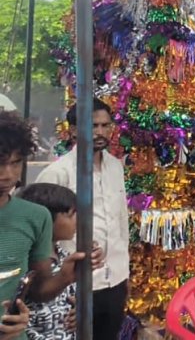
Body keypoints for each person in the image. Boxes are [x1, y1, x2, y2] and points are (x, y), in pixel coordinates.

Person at [35, 100, 130, 340]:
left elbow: (121, 223)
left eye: (105, 126)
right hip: (77, 285)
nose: (100, 132)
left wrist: (124, 276)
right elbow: (42, 229)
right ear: (75, 130)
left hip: (115, 280)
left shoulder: (116, 167)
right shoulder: (59, 172)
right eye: (93, 125)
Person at [0, 111, 93, 340]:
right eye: (0, 164)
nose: (7, 175)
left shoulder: (35, 216)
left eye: (15, 163)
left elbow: (38, 291)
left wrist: (64, 276)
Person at [17, 184, 79, 340]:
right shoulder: (24, 261)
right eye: (71, 214)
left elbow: (71, 299)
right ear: (45, 219)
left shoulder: (65, 257)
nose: (78, 220)